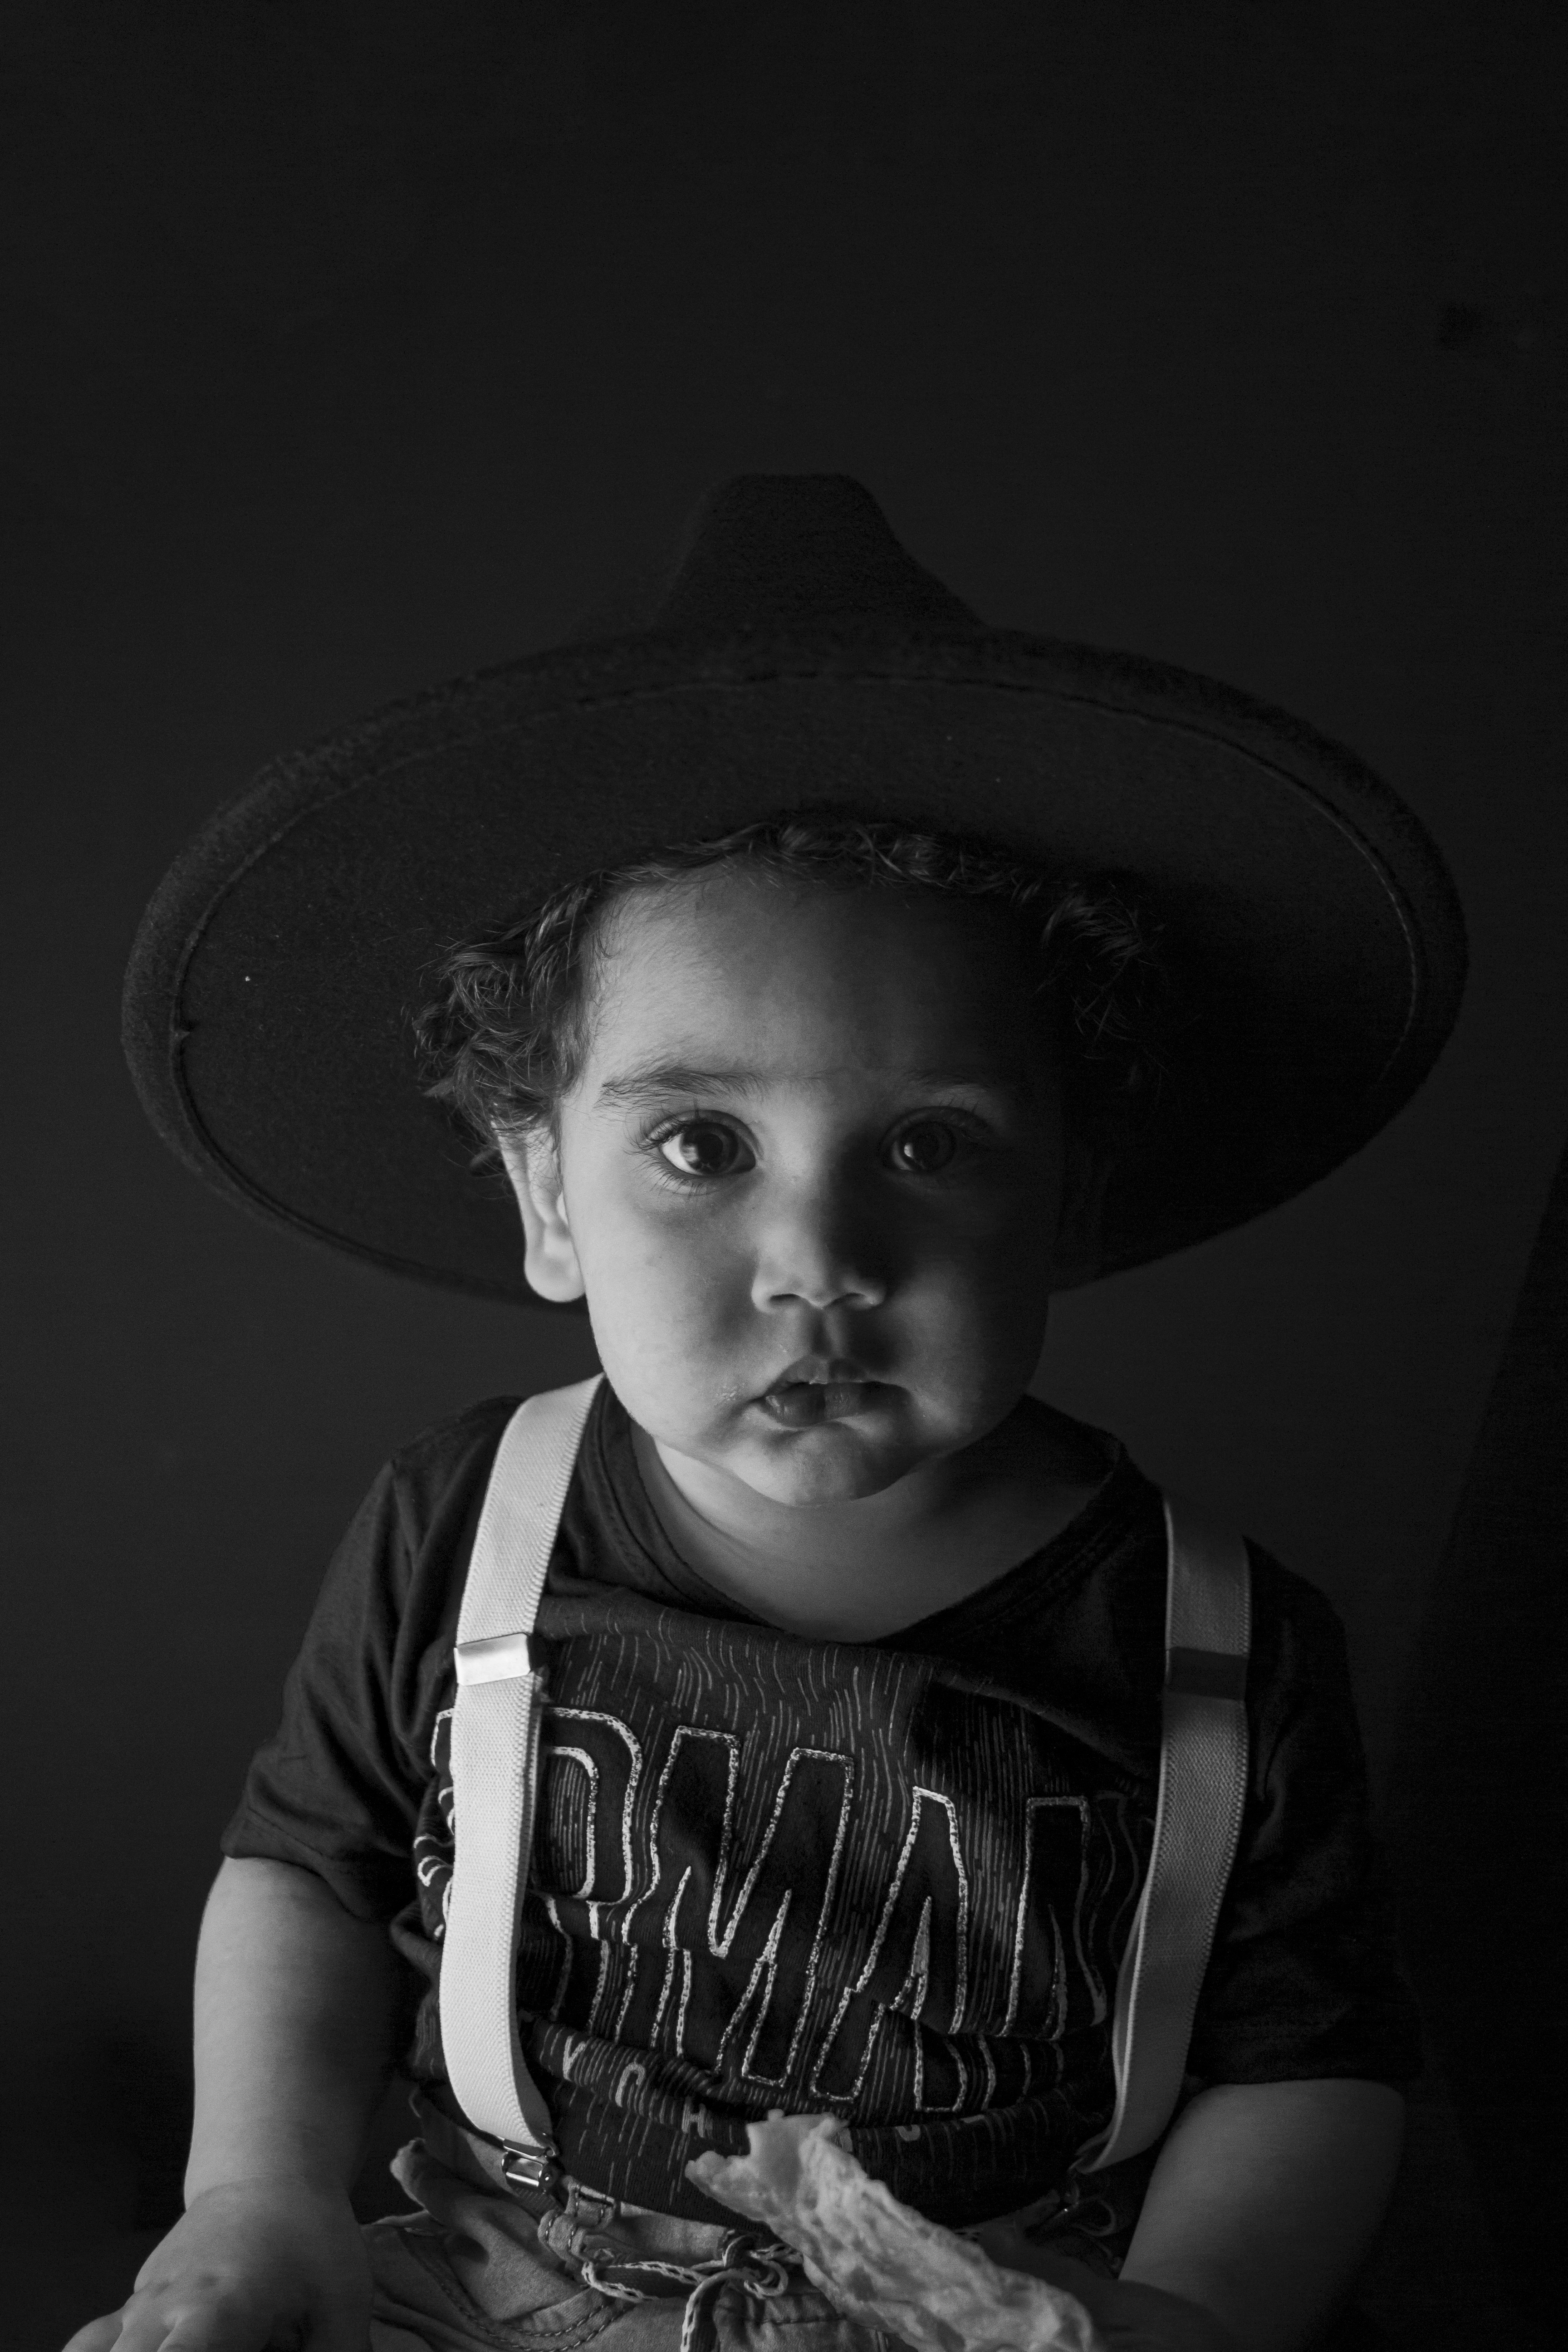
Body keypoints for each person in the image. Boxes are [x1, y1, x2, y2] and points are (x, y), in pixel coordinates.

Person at [79, 476, 1464, 2352]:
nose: (820, 1256)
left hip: (993, 2306)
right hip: (513, 2274)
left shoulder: (1222, 1640)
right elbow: (306, 1881)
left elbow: (1307, 2063)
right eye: (699, 1145)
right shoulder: (468, 1524)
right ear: (548, 1198)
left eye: (930, 1144)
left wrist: (1193, 2311)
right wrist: (251, 2202)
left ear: (1067, 1192)